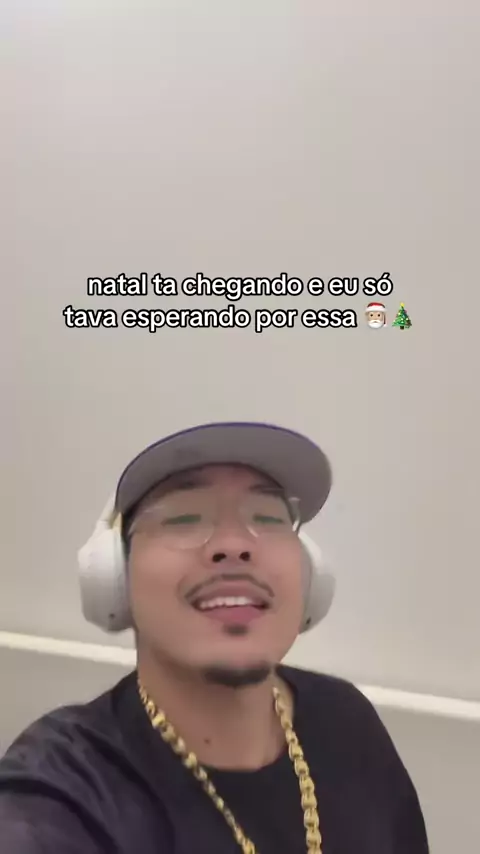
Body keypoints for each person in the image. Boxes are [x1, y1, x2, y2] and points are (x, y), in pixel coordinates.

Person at [0, 422, 429, 853]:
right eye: (184, 518)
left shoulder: (348, 721)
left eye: (268, 517)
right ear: (114, 576)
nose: (234, 544)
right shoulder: (62, 791)